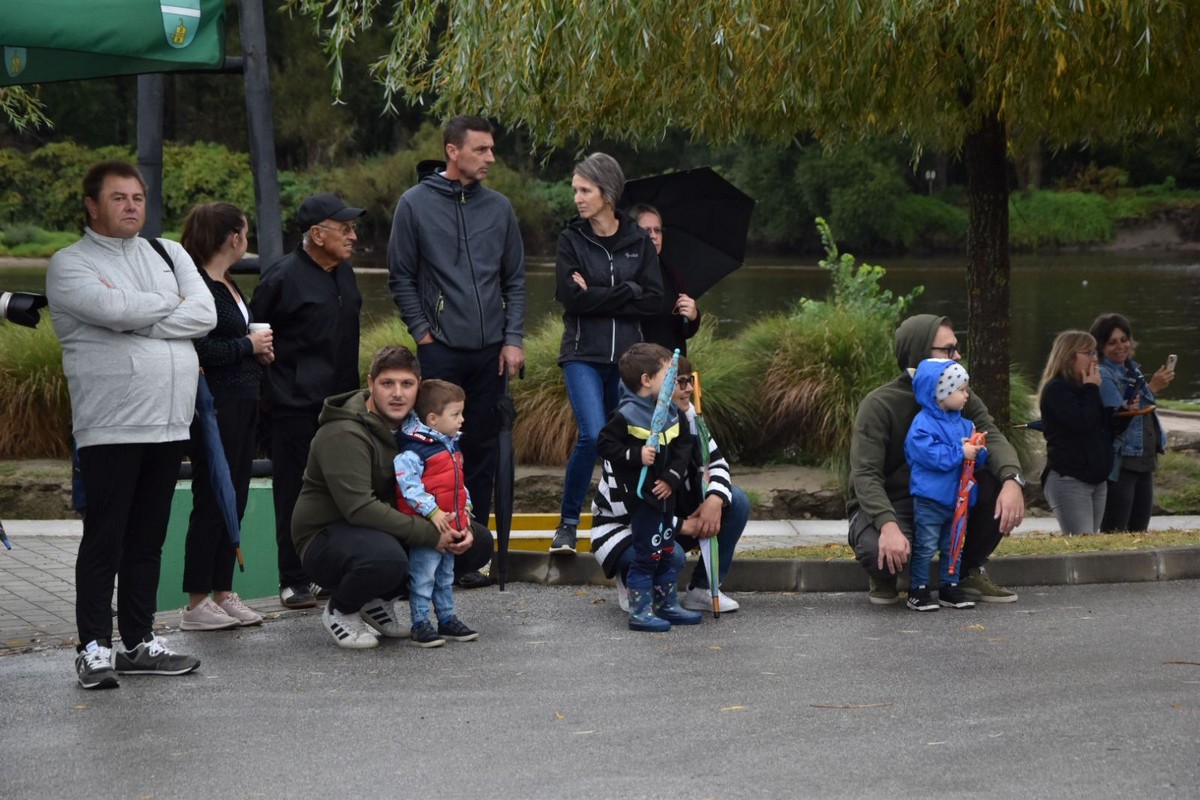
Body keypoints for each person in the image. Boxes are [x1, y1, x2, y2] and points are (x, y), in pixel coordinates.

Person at [46, 160, 217, 689]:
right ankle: (94, 647)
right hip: (112, 427)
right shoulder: (68, 264)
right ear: (91, 205)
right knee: (105, 540)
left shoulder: (169, 252)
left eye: (138, 198)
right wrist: (167, 309)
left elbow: (205, 315)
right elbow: (109, 308)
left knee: (147, 540)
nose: (131, 206)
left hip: (168, 423)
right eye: (118, 198)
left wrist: (138, 314)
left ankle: (139, 641)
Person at [388, 115, 526, 589]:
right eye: (481, 150)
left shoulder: (500, 208)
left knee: (483, 449)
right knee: (434, 452)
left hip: (491, 352)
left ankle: (473, 554)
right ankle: (431, 546)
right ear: (453, 150)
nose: (490, 158)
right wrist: (424, 333)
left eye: (491, 149)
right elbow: (401, 276)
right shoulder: (414, 204)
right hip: (441, 350)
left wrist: (513, 339)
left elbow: (515, 280)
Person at [292, 346, 494, 650]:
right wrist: (430, 534)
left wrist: (458, 521)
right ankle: (342, 609)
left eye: (407, 384)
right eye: (388, 384)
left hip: (381, 528)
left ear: (418, 386)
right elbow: (359, 508)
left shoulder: (418, 429)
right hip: (326, 535)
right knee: (387, 558)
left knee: (476, 542)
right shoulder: (343, 432)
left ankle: (377, 600)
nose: (398, 393)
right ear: (371, 383)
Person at [846, 314, 1025, 606]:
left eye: (956, 348)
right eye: (948, 350)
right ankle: (884, 573)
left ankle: (965, 571)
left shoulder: (960, 396)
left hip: (948, 493)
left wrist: (1012, 479)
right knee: (876, 552)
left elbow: (990, 434)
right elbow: (866, 475)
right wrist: (887, 525)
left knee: (996, 482)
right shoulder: (879, 405)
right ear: (919, 354)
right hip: (897, 502)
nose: (957, 355)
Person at [250, 193, 364, 609]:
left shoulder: (345, 274)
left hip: (344, 405)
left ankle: (326, 574)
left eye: (353, 227)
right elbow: (256, 340)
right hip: (295, 406)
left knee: (341, 491)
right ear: (317, 235)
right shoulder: (281, 278)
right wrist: (275, 396)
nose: (354, 235)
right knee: (294, 492)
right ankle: (292, 578)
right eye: (345, 228)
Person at [550, 153, 665, 555]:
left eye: (585, 190)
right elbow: (570, 299)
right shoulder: (571, 239)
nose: (578, 198)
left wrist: (597, 295)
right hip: (582, 353)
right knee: (593, 435)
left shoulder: (637, 240)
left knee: (631, 437)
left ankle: (629, 517)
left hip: (629, 361)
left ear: (608, 192)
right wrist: (627, 292)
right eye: (575, 190)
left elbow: (654, 301)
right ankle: (567, 526)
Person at [178, 202, 271, 630]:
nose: (247, 240)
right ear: (234, 237)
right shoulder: (199, 285)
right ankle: (197, 601)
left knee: (234, 493)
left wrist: (259, 352)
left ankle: (222, 590)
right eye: (245, 232)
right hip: (214, 403)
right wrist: (246, 348)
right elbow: (196, 348)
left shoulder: (228, 282)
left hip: (244, 398)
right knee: (213, 493)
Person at [592, 343, 698, 632]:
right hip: (642, 501)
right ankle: (640, 609)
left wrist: (672, 478)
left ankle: (667, 604)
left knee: (665, 550)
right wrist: (635, 456)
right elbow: (605, 445)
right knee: (647, 553)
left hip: (666, 498)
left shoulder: (671, 414)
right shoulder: (626, 415)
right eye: (668, 374)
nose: (674, 381)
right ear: (646, 380)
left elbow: (683, 447)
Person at [393, 379, 480, 648]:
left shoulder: (449, 444)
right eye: (455, 414)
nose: (462, 420)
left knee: (444, 577)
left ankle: (446, 617)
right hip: (428, 526)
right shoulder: (415, 449)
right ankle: (420, 622)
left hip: (450, 523)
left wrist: (465, 508)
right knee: (423, 576)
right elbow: (408, 485)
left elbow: (456, 483)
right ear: (433, 418)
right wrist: (432, 512)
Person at [903, 358, 986, 611]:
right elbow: (928, 455)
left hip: (958, 500)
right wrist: (961, 452)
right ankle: (918, 589)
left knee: (954, 545)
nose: (966, 395)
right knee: (926, 546)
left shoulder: (965, 424)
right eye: (960, 390)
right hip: (930, 498)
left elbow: (975, 461)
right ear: (941, 392)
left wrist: (979, 451)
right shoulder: (922, 424)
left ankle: (949, 586)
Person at [668, 356, 748, 614]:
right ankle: (638, 586)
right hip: (645, 526)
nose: (689, 388)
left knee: (737, 500)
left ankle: (703, 588)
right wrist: (682, 525)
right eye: (680, 382)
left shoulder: (693, 419)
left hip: (684, 517)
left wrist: (714, 499)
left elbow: (719, 464)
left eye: (689, 380)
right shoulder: (638, 426)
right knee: (674, 555)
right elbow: (638, 504)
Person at [1037, 330, 1129, 535]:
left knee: (1091, 544)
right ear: (1069, 356)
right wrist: (1091, 389)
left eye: (1095, 353)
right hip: (1070, 479)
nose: (1094, 358)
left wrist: (1125, 413)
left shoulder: (1086, 389)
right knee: (1081, 544)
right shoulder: (1057, 389)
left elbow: (1105, 432)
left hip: (1096, 478)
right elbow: (1082, 424)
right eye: (1088, 353)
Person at [1089, 313, 1175, 532]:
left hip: (1145, 460)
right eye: (1112, 342)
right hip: (1123, 462)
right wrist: (1153, 388)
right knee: (1115, 530)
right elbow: (1121, 413)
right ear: (1100, 347)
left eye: (1124, 340)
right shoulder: (1103, 373)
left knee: (1139, 531)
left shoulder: (1132, 370)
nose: (1120, 346)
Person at [630, 203, 701, 356]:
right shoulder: (623, 273)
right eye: (646, 230)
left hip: (672, 365)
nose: (654, 236)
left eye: (657, 230)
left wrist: (692, 316)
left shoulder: (673, 274)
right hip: (636, 366)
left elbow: (684, 331)